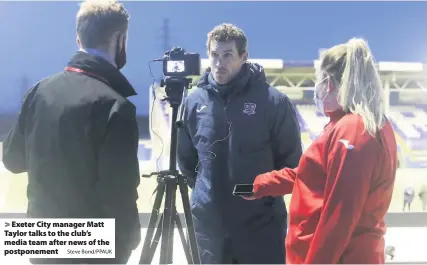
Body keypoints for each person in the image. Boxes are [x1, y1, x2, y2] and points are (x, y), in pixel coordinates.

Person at [2, 0, 140, 264]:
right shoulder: (116, 107)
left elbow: (12, 160)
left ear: (79, 38)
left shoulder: (38, 92)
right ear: (120, 40)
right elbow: (118, 195)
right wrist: (125, 244)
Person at [245, 38, 398, 264]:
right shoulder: (356, 125)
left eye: (318, 80)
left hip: (340, 257)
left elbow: (340, 217)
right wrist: (261, 185)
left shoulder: (352, 130)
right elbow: (313, 173)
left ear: (328, 82)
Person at [177, 23, 302, 264]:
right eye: (214, 55)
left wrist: (260, 195)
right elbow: (187, 160)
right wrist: (209, 196)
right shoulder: (193, 102)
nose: (218, 63)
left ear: (243, 57)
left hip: (261, 230)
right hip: (210, 229)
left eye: (227, 55)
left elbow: (291, 162)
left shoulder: (273, 102)